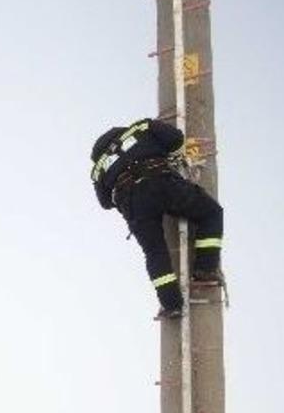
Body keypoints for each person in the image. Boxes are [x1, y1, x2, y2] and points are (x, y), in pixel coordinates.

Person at [90, 117, 224, 318]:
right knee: (211, 213)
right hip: (160, 181)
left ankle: (171, 305)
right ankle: (205, 269)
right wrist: (170, 158)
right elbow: (176, 139)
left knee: (154, 253)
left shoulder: (98, 167)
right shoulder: (141, 127)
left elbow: (105, 203)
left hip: (132, 203)